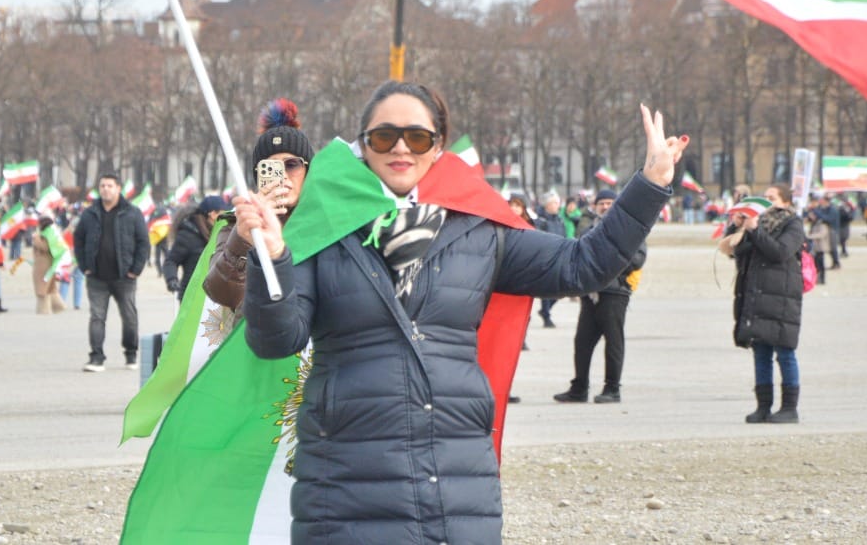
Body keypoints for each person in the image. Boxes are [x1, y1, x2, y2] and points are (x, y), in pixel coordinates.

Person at [235, 81, 683, 543]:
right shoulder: (320, 224)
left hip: (457, 482)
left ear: (438, 146)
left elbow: (582, 265)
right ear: (363, 145)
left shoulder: (478, 228)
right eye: (385, 137)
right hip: (347, 483)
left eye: (418, 137)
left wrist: (649, 184)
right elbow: (276, 341)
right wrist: (272, 259)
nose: (401, 148)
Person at [204, 98, 314, 313]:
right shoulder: (238, 223)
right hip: (256, 337)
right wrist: (241, 240)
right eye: (271, 168)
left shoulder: (324, 217)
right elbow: (219, 292)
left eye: (292, 165)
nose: (282, 177)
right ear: (259, 176)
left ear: (307, 171)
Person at [720, 184, 805, 424]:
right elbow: (736, 251)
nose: (767, 202)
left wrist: (755, 231)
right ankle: (763, 406)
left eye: (773, 198)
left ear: (786, 202)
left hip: (782, 297)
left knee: (785, 352)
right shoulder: (756, 225)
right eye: (764, 198)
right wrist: (737, 226)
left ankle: (790, 407)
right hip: (757, 295)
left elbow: (779, 252)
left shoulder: (793, 224)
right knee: (761, 352)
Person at [554, 186, 644, 405]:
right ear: (595, 206)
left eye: (609, 203)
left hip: (615, 292)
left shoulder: (629, 228)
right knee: (582, 342)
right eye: (602, 203)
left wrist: (607, 262)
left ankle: (612, 389)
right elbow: (578, 254)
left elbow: (638, 258)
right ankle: (579, 388)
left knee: (613, 342)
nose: (605, 207)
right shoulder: (589, 230)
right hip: (590, 293)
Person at [74, 173, 148, 372]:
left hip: (125, 277)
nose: (105, 189)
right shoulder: (90, 214)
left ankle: (131, 354)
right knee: (97, 317)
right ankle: (96, 357)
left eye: (109, 185)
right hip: (97, 277)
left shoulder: (132, 213)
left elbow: (143, 242)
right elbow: (78, 240)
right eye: (102, 185)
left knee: (129, 316)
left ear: (118, 188)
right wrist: (84, 266)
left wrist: (136, 269)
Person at [166, 197, 224, 301]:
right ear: (213, 214)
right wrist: (172, 279)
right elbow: (171, 261)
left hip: (215, 298)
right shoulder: (187, 235)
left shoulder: (221, 234)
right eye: (224, 213)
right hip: (191, 297)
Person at [532, 191, 573, 327]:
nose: (557, 205)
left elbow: (564, 237)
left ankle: (545, 310)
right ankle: (546, 314)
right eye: (554, 203)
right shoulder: (541, 221)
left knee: (562, 289)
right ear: (547, 205)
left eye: (557, 202)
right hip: (546, 260)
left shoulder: (559, 220)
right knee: (547, 289)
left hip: (559, 258)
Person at [31, 216, 64, 313]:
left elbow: (44, 247)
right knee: (50, 287)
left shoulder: (45, 235)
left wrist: (36, 239)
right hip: (48, 263)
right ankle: (58, 306)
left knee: (42, 288)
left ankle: (43, 310)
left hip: (43, 264)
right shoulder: (52, 233)